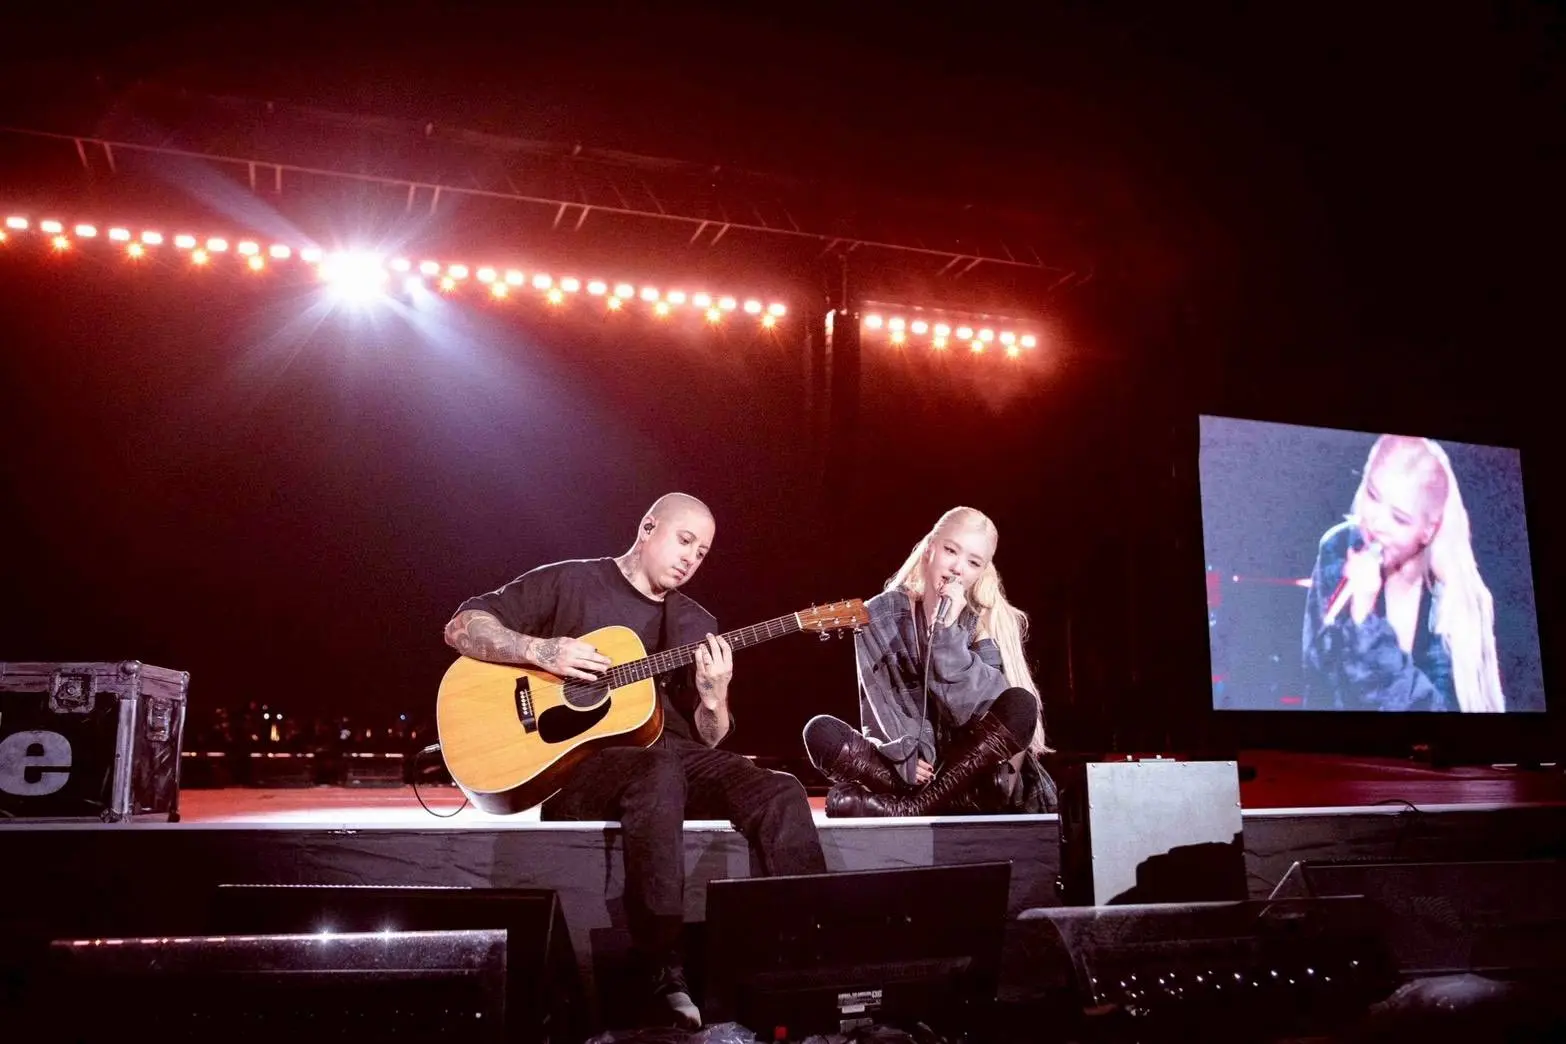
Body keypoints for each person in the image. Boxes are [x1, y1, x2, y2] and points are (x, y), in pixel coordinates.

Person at [443, 493, 827, 1028]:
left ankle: (809, 962)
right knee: (657, 769)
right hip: (585, 767)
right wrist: (541, 651)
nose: (692, 557)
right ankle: (661, 967)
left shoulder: (696, 622)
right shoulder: (571, 581)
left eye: (704, 551)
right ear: (648, 528)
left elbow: (709, 740)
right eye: (684, 540)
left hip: (671, 758)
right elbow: (463, 626)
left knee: (781, 788)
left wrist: (716, 697)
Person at [802, 506, 1058, 816]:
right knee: (820, 732)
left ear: (980, 571)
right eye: (951, 551)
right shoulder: (879, 615)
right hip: (910, 768)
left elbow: (978, 713)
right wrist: (904, 755)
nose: (958, 568)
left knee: (1021, 704)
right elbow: (879, 706)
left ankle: (909, 808)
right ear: (930, 549)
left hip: (968, 773)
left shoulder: (983, 618)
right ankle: (918, 801)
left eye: (973, 562)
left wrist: (947, 636)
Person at [1302, 434, 1505, 713]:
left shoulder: (1451, 598)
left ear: (1428, 530)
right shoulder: (1338, 550)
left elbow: (1436, 718)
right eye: (1372, 495)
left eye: (1399, 518)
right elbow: (1319, 679)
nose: (1376, 522)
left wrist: (1365, 623)